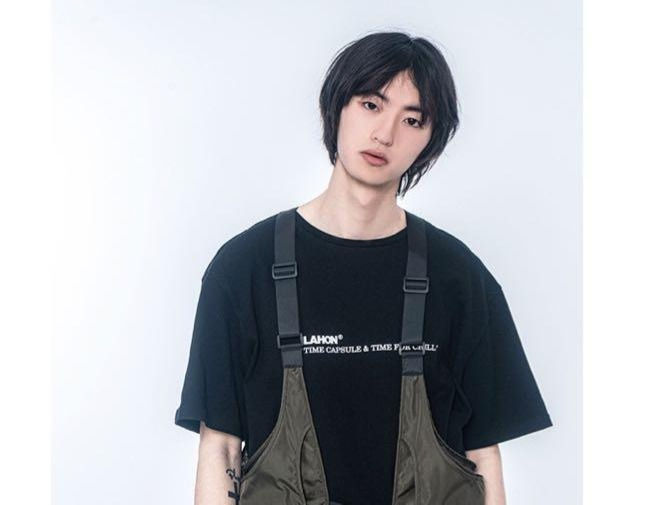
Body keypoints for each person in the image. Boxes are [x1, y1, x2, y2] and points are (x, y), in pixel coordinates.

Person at [174, 31, 553, 505]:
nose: (385, 134)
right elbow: (221, 446)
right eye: (371, 105)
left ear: (430, 141)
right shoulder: (242, 270)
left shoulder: (459, 277)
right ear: (336, 107)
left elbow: (482, 454)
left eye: (412, 119)